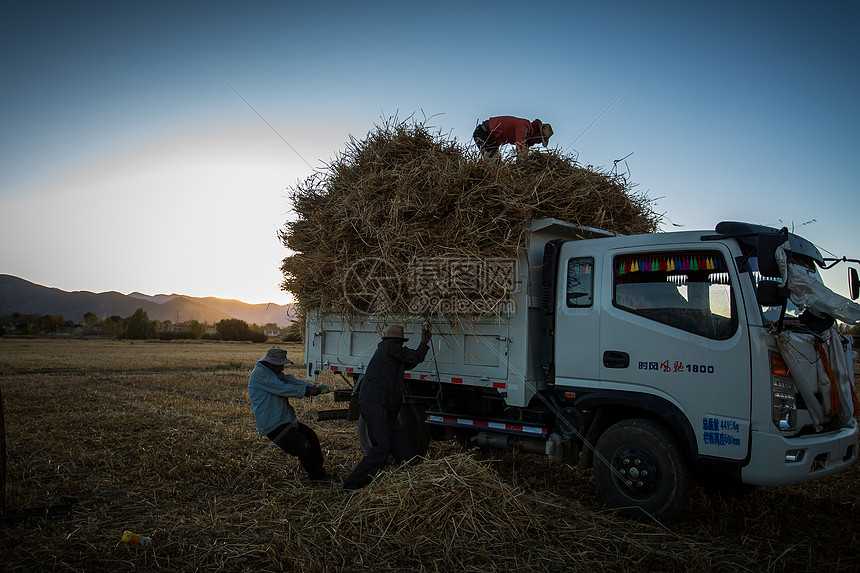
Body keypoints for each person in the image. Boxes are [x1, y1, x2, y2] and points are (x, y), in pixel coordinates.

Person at [343, 325, 432, 491]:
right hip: (377, 404)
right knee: (381, 448)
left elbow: (409, 363)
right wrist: (424, 342)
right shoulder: (391, 347)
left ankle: (410, 471)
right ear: (398, 340)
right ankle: (352, 484)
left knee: (399, 438)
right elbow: (416, 356)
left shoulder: (386, 350)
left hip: (379, 405)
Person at [248, 348, 333, 482]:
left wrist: (312, 387)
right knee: (303, 445)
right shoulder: (260, 375)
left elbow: (291, 381)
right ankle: (317, 478)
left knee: (311, 437)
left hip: (284, 420)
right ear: (270, 363)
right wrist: (307, 390)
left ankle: (320, 473)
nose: (282, 368)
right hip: (272, 423)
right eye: (280, 364)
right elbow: (282, 388)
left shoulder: (273, 372)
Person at [473, 116, 553, 158]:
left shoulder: (528, 136)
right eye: (539, 139)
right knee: (492, 161)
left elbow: (524, 150)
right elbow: (521, 149)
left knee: (497, 163)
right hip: (484, 133)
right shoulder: (524, 126)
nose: (537, 142)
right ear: (537, 133)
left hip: (492, 140)